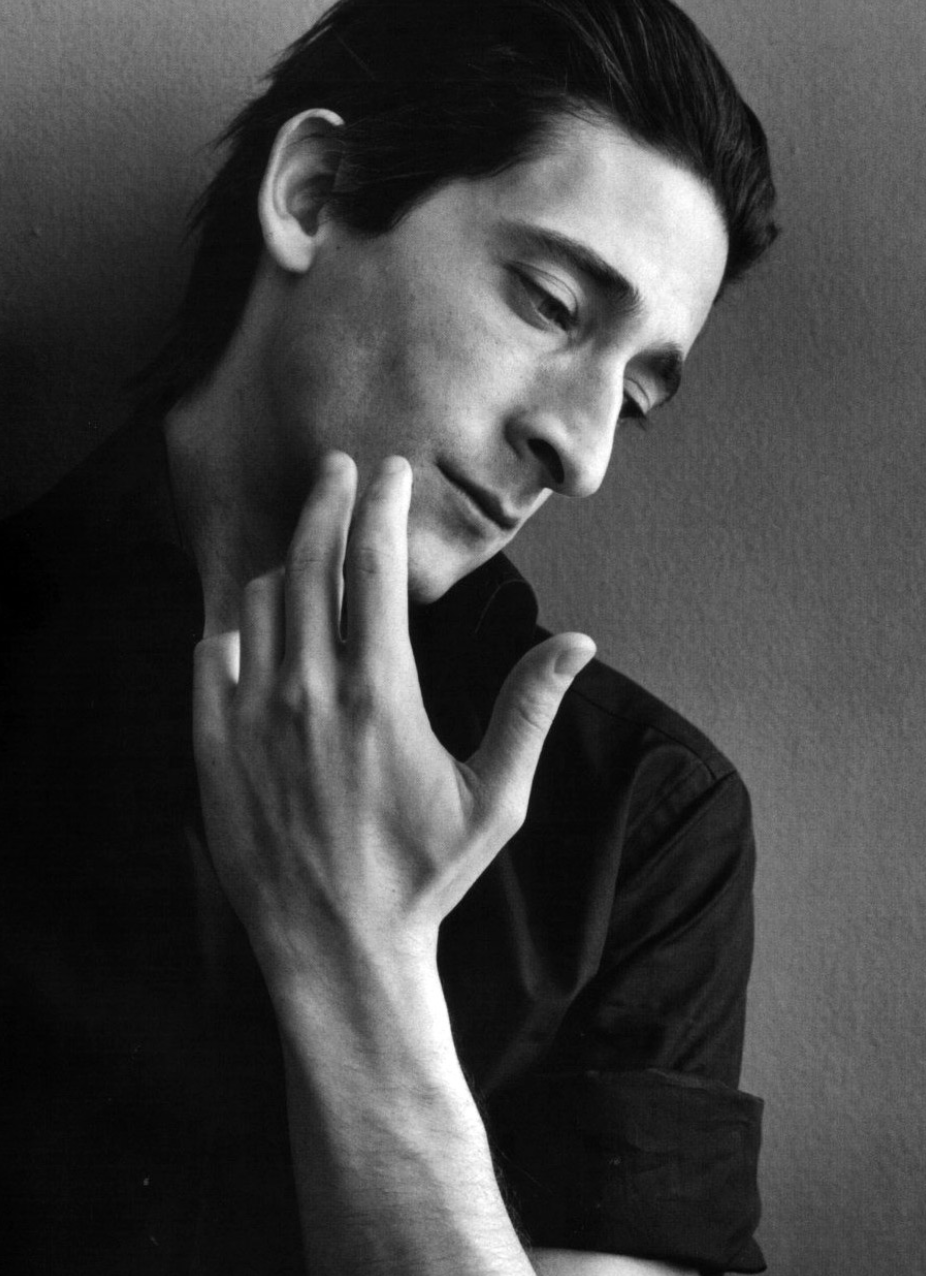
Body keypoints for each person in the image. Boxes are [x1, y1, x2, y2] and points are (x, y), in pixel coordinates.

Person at [1, 0, 778, 1272]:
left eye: (634, 397)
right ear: (312, 193)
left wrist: (357, 956)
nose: (581, 452)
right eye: (550, 303)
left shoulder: (642, 822)